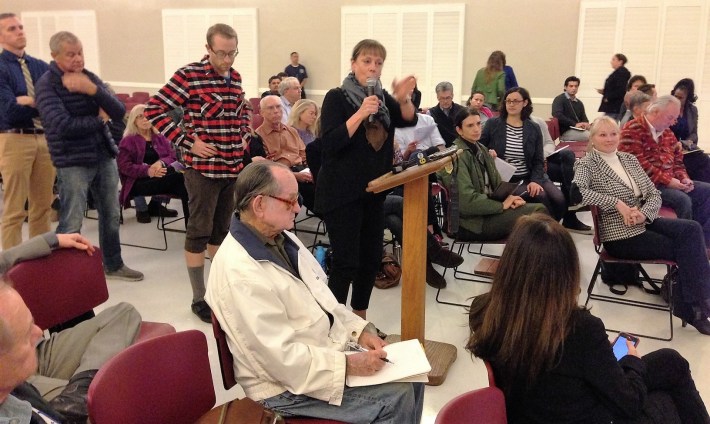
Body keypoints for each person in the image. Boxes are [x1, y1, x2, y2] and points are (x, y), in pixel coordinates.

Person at [205, 161, 424, 423]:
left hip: (317, 356)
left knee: (414, 377)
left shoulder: (281, 238)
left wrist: (360, 330)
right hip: (281, 386)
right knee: (396, 397)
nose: (298, 208)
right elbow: (280, 360)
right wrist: (349, 365)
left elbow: (325, 301)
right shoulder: (238, 273)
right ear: (259, 205)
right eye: (290, 201)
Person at [466, 213, 710, 424]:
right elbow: (630, 403)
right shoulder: (580, 329)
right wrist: (631, 361)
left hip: (531, 412)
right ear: (567, 272)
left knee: (670, 361)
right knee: (667, 395)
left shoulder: (484, 310)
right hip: (584, 416)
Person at [144, 23, 250, 322]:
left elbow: (242, 111)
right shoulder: (188, 75)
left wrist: (243, 133)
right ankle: (199, 297)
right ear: (208, 49)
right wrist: (188, 142)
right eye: (221, 53)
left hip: (231, 167)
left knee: (222, 232)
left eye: (233, 53)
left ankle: (219, 291)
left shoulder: (235, 77)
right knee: (199, 231)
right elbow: (153, 110)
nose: (228, 60)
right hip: (202, 169)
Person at [576, 116, 710, 332]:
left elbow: (653, 194)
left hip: (644, 220)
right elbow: (579, 193)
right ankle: (696, 309)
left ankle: (696, 304)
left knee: (691, 229)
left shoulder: (628, 159)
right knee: (686, 248)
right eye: (602, 135)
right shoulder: (587, 164)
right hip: (619, 234)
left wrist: (644, 214)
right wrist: (616, 203)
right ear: (592, 138)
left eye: (613, 134)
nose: (609, 139)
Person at [316, 39, 417, 319]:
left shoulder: (383, 100)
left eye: (378, 62)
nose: (373, 67)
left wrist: (403, 96)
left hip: (374, 192)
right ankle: (335, 324)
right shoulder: (336, 97)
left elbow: (408, 119)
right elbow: (331, 143)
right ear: (353, 64)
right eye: (367, 61)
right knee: (346, 262)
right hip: (341, 194)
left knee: (370, 261)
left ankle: (360, 320)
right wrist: (361, 112)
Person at [34, 31, 143, 282]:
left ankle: (113, 264)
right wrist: (98, 119)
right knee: (72, 219)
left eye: (80, 52)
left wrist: (92, 89)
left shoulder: (88, 78)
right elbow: (63, 126)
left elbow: (117, 111)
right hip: (72, 161)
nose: (78, 59)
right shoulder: (47, 85)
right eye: (71, 54)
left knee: (111, 213)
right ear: (55, 56)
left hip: (103, 155)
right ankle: (67, 273)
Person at [0, 232, 142, 424]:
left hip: (35, 348)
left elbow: (5, 258)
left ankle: (79, 394)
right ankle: (81, 397)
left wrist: (53, 240)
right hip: (15, 378)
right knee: (114, 398)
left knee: (124, 312)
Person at [437, 107, 545, 241]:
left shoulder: (481, 149)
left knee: (537, 214)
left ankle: (524, 258)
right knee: (538, 212)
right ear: (459, 130)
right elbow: (466, 202)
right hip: (471, 223)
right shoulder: (455, 157)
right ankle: (525, 258)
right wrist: (501, 206)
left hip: (489, 211)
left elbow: (498, 185)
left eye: (478, 124)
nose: (476, 129)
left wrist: (510, 198)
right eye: (470, 125)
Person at [619, 95, 710, 246]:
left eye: (675, 118)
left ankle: (702, 243)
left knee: (707, 192)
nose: (673, 122)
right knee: (683, 200)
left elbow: (678, 161)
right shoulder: (632, 129)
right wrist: (668, 181)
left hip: (670, 183)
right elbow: (637, 166)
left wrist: (683, 178)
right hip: (645, 187)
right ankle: (683, 245)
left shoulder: (668, 133)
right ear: (655, 111)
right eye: (670, 117)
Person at [0, 13, 56, 250]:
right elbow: (9, 110)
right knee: (14, 209)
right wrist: (37, 103)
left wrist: (29, 101)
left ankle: (39, 260)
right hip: (14, 139)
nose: (20, 31)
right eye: (12, 28)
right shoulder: (1, 68)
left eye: (21, 27)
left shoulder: (40, 66)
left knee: (43, 206)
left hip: (44, 139)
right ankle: (10, 267)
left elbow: (53, 102)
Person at [479, 87, 568, 223]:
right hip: (508, 179)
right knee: (541, 196)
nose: (511, 104)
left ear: (525, 103)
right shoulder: (493, 124)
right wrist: (488, 152)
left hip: (530, 174)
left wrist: (535, 181)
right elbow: (479, 147)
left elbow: (538, 160)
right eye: (508, 101)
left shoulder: (533, 127)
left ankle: (549, 228)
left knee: (559, 199)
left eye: (515, 101)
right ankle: (547, 231)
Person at [117, 104, 189, 225]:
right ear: (134, 121)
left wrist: (160, 163)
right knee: (182, 180)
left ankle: (192, 226)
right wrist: (148, 170)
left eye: (147, 116)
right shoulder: (128, 140)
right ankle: (193, 229)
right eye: (140, 116)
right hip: (138, 182)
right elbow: (124, 167)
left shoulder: (159, 137)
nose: (145, 119)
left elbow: (172, 157)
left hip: (162, 177)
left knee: (185, 181)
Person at [532, 113, 592, 234]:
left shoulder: (538, 121)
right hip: (534, 164)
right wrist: (539, 157)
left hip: (545, 157)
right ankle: (572, 208)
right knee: (568, 173)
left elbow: (549, 143)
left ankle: (571, 202)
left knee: (568, 155)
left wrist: (543, 154)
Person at [253, 95, 314, 211]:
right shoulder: (258, 136)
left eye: (278, 107)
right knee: (314, 195)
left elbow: (304, 155)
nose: (276, 111)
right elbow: (266, 168)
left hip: (302, 170)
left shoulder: (291, 131)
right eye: (271, 108)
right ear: (261, 112)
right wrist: (294, 176)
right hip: (280, 176)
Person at [670, 78, 710, 183]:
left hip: (686, 146)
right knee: (692, 163)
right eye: (675, 96)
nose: (677, 99)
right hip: (670, 146)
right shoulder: (668, 108)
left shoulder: (692, 110)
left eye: (681, 98)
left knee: (705, 160)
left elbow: (693, 134)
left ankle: (704, 190)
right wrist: (676, 144)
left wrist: (684, 143)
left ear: (687, 98)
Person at [551, 76, 590, 141]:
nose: (574, 88)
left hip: (578, 130)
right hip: (565, 132)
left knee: (597, 134)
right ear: (565, 87)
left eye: (576, 86)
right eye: (571, 86)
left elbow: (584, 117)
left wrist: (585, 124)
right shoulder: (559, 99)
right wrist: (574, 124)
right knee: (591, 137)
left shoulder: (579, 103)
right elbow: (557, 115)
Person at [428, 81, 465, 147]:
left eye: (448, 98)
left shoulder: (461, 110)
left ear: (452, 96)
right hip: (439, 149)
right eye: (442, 98)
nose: (445, 101)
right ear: (437, 97)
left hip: (459, 148)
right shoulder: (431, 113)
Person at [597, 53, 631, 120]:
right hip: (613, 105)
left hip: (614, 106)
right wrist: (605, 91)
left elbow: (621, 90)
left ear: (620, 61)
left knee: (609, 124)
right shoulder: (618, 72)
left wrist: (608, 97)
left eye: (613, 59)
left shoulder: (621, 73)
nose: (611, 61)